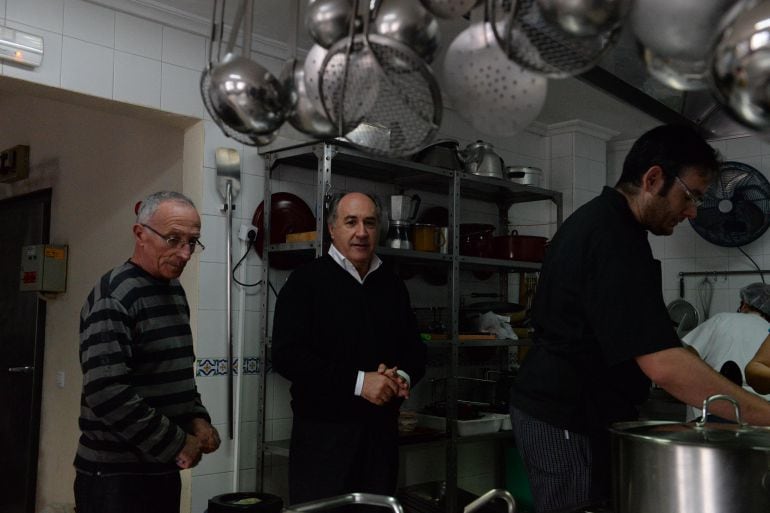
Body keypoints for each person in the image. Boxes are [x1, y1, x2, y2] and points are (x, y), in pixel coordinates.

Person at [509, 124, 770, 513]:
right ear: (653, 179)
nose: (693, 212)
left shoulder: (618, 230)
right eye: (691, 196)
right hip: (566, 413)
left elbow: (655, 339)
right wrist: (763, 415)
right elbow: (663, 364)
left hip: (590, 410)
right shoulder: (609, 235)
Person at [272, 192, 427, 505]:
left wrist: (401, 378)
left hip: (380, 438)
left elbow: (415, 350)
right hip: (323, 439)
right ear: (332, 229)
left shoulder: (392, 285)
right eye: (351, 222)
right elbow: (287, 356)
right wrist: (360, 383)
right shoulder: (306, 281)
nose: (361, 232)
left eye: (369, 223)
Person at [75, 191, 220, 513]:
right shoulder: (115, 295)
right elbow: (107, 391)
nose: (185, 253)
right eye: (173, 240)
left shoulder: (173, 291)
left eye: (192, 242)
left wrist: (197, 418)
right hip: (115, 476)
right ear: (140, 234)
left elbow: (174, 372)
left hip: (160, 468)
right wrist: (177, 441)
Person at [682, 282, 770, 420]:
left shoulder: (721, 319)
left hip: (714, 406)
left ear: (744, 305)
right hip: (761, 410)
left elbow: (687, 359)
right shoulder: (767, 331)